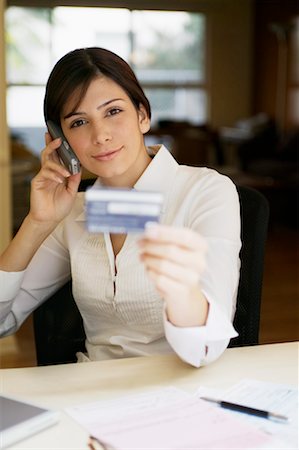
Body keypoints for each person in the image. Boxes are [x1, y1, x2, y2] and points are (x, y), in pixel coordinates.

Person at [0, 47, 241, 367]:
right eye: (79, 122)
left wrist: (180, 289)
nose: (100, 135)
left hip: (182, 392)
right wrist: (37, 222)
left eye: (113, 112)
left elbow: (206, 349)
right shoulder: (73, 211)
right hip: (93, 393)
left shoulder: (205, 191)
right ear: (60, 140)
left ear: (142, 116)